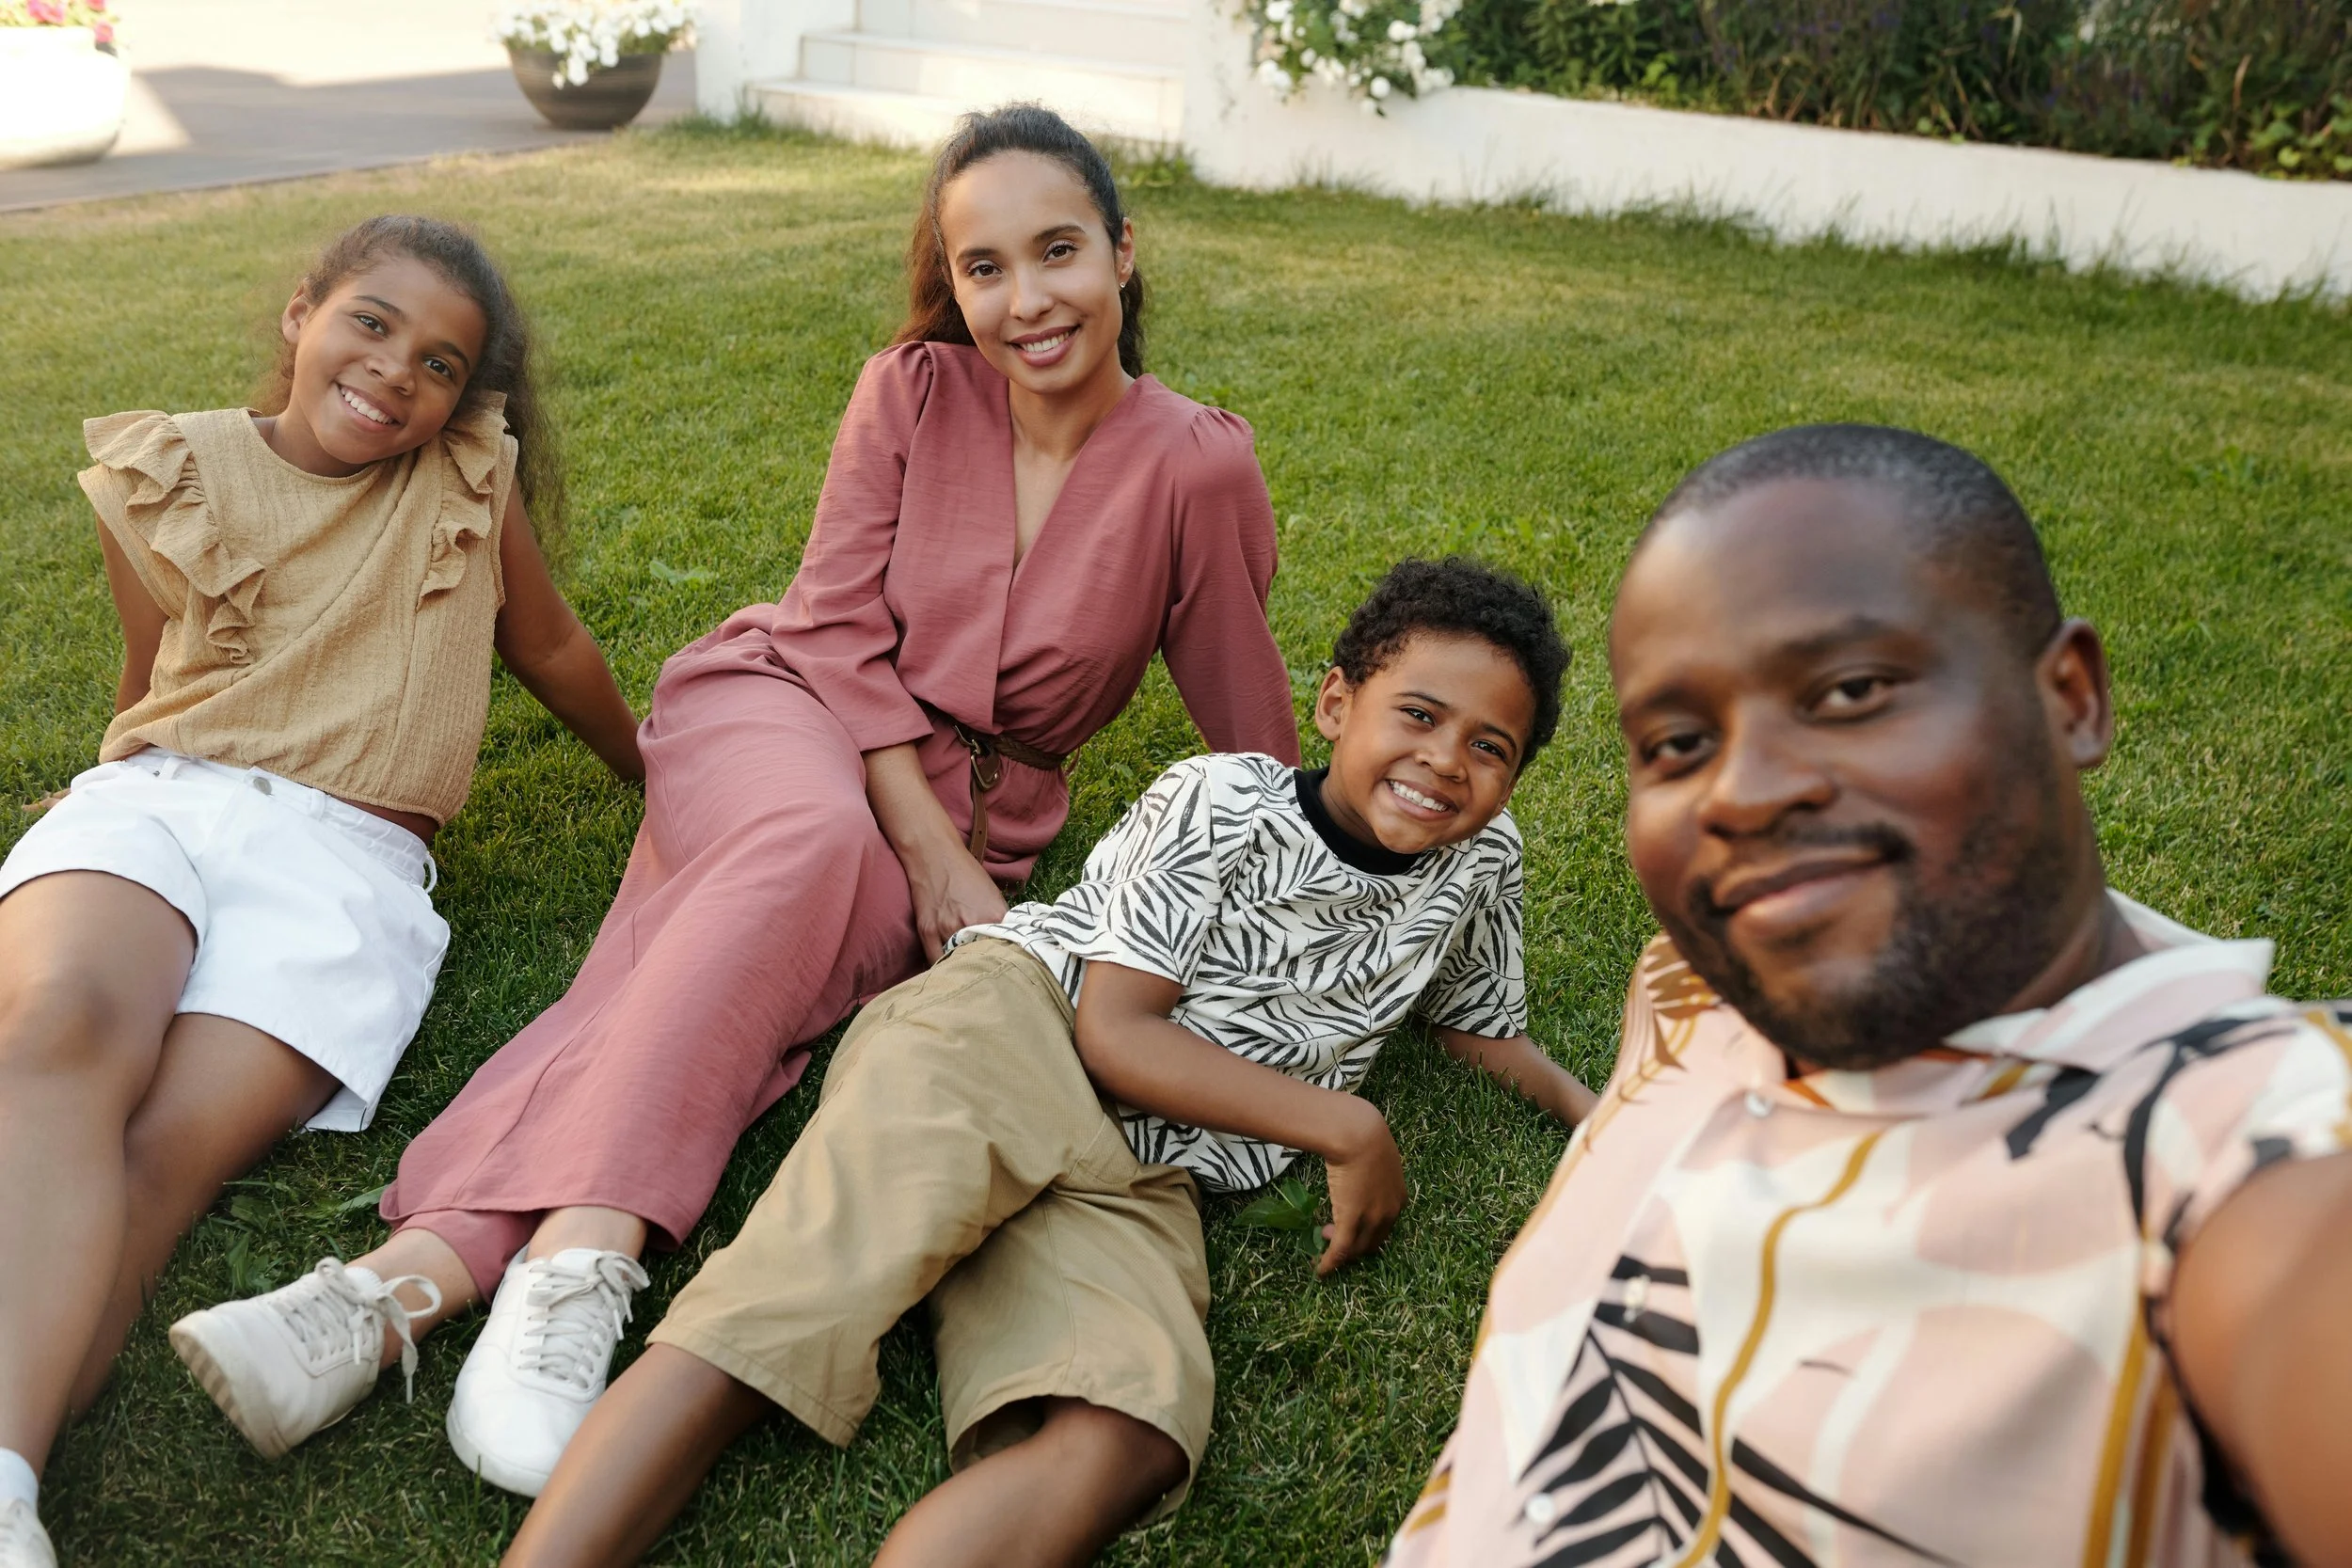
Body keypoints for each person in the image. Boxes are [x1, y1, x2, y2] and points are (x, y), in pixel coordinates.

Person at [169, 105, 1303, 1498]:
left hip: (978, 808)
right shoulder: (912, 389)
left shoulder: (1199, 463)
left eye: (1057, 251)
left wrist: (1364, 875)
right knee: (810, 846)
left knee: (751, 971)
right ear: (949, 282)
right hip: (785, 706)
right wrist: (936, 855)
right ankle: (591, 1253)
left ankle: (391, 1289)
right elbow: (832, 624)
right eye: (981, 268)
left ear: (1124, 254)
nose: (1023, 301)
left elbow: (1251, 732)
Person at [489, 556, 1596, 1568]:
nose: (1445, 761)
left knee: (1126, 1429)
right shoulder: (1219, 802)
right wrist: (1344, 1123)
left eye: (1490, 746)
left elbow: (1479, 1024)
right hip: (1009, 1033)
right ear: (1336, 701)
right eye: (1418, 714)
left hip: (1147, 1168)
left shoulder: (1479, 864)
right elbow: (1116, 1031)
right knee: (785, 1303)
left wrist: (1609, 1120)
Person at [1387, 425, 2352, 1568]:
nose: (1740, 793)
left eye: (1849, 690)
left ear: (2072, 698)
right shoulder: (1695, 982)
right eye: (1677, 739)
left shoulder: (2233, 1159)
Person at [0, 214, 643, 1568]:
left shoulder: (465, 475)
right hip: (165, 802)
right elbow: (158, 670)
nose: (395, 371)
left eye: (438, 360)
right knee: (58, 1028)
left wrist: (658, 777)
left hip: (344, 866)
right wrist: (101, 789)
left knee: (158, 1158)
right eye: (371, 322)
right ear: (302, 312)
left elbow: (552, 643)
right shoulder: (174, 463)